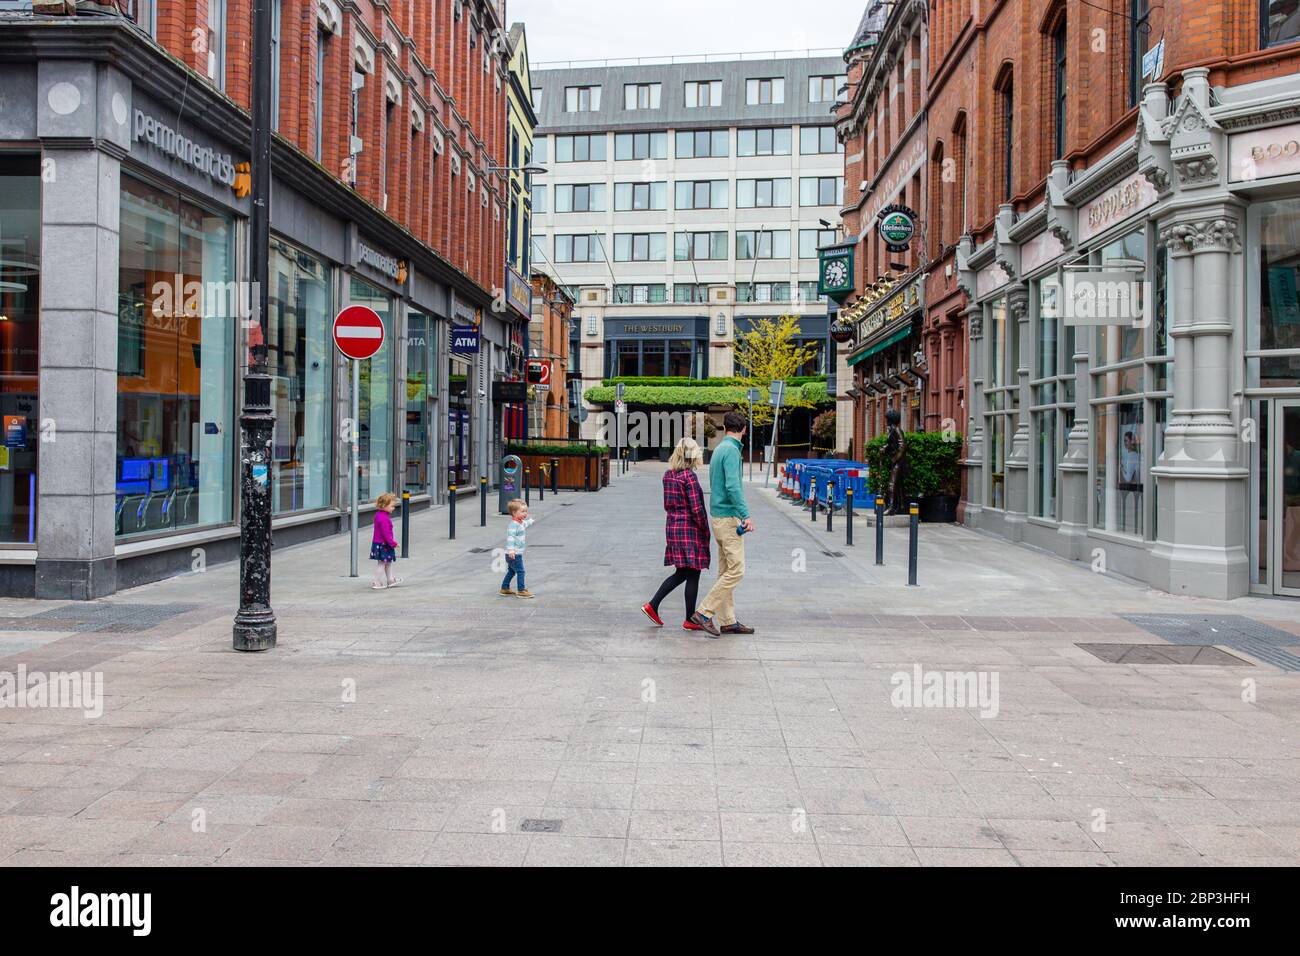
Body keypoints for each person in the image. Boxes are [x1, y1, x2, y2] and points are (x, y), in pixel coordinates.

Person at [690, 411, 755, 637]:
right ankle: (704, 612)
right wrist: (745, 515)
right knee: (737, 570)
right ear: (743, 428)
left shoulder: (719, 449)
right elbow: (733, 486)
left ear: (725, 427)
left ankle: (728, 621)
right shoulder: (731, 452)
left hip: (718, 517)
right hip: (728, 518)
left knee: (726, 570)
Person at [642, 437, 711, 632]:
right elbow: (697, 509)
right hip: (689, 529)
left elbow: (667, 504)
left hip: (673, 526)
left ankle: (653, 605)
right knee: (693, 573)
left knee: (682, 572)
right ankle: (689, 618)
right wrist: (705, 530)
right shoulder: (689, 477)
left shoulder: (668, 475)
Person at [500, 498, 535, 598]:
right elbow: (510, 538)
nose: (525, 514)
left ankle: (505, 588)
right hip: (514, 554)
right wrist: (511, 550)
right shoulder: (513, 525)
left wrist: (531, 521)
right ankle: (521, 590)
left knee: (511, 571)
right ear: (514, 513)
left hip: (515, 553)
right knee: (521, 571)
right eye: (523, 511)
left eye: (526, 511)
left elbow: (525, 524)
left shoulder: (520, 522)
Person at [370, 492, 402, 589]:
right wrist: (393, 543)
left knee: (387, 562)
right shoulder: (384, 519)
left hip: (379, 544)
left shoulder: (378, 515)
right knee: (382, 564)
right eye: (392, 506)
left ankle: (390, 580)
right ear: (384, 505)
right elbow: (386, 534)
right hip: (384, 544)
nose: (393, 508)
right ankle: (376, 582)